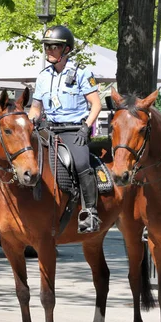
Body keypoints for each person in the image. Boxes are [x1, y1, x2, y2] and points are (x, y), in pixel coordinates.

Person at [28, 25, 102, 234]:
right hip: (47, 129)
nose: (49, 50)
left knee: (80, 162)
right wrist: (28, 124)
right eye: (46, 46)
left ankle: (90, 212)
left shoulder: (82, 73)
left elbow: (96, 104)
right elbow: (35, 108)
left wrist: (86, 127)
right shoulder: (42, 76)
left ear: (66, 49)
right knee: (22, 157)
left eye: (54, 46)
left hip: (72, 130)